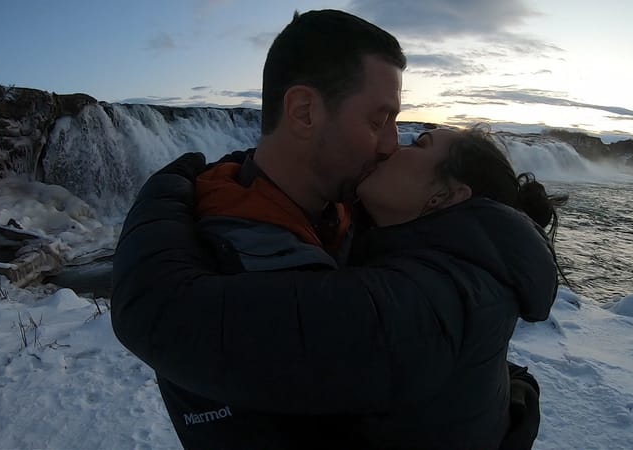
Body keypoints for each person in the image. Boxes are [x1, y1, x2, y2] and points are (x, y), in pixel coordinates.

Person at [112, 9, 552, 450]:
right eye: (378, 121)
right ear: (304, 112)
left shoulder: (364, 217)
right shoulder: (218, 252)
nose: (390, 145)